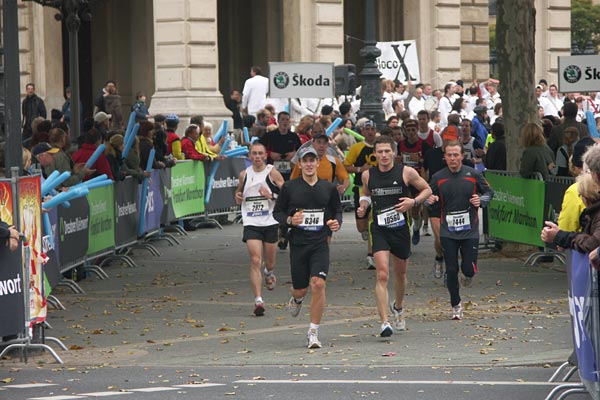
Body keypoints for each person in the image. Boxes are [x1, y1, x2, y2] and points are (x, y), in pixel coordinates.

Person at [357, 135, 431, 337]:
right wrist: (363, 205)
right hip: (379, 228)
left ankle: (398, 307)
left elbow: (427, 189)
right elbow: (365, 194)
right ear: (374, 154)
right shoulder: (367, 175)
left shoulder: (406, 172)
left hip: (400, 228)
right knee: (382, 273)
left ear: (394, 153)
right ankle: (384, 323)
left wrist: (413, 202)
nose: (383, 155)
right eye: (379, 151)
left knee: (400, 273)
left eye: (387, 151)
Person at [273, 146, 342, 349]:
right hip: (298, 244)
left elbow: (337, 211)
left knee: (318, 284)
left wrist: (335, 223)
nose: (310, 164)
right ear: (300, 164)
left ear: (318, 163)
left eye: (313, 160)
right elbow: (277, 213)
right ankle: (296, 299)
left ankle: (313, 332)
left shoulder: (328, 188)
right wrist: (289, 220)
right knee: (301, 289)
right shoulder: (290, 188)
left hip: (320, 243)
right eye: (306, 161)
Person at [426, 140, 494, 320]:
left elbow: (489, 192)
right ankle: (456, 305)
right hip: (448, 231)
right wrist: (429, 200)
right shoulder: (438, 177)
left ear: (462, 156)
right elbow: (426, 195)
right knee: (451, 269)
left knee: (468, 269)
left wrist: (482, 200)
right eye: (449, 155)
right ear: (445, 157)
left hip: (470, 230)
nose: (453, 158)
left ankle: (469, 275)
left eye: (456, 155)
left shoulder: (472, 174)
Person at [234, 142, 285, 316]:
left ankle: (269, 272)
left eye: (260, 153)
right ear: (249, 156)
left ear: (265, 156)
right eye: (254, 153)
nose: (257, 156)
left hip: (270, 221)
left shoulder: (272, 172)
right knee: (255, 259)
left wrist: (271, 196)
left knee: (269, 262)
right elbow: (239, 192)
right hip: (251, 222)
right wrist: (238, 196)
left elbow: (287, 194)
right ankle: (258, 300)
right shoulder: (244, 174)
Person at [344, 119, 379, 269]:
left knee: (373, 222)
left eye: (372, 129)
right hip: (360, 188)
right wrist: (360, 169)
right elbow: (346, 166)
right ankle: (364, 231)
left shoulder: (381, 147)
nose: (370, 132)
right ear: (362, 132)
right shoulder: (357, 148)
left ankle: (371, 255)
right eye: (367, 129)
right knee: (361, 226)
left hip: (377, 190)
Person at [398, 119, 431, 245]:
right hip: (405, 180)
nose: (411, 132)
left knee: (415, 210)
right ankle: (405, 235)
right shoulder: (400, 144)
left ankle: (417, 227)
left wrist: (420, 160)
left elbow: (429, 163)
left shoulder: (424, 145)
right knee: (405, 209)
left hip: (418, 180)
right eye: (408, 130)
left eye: (413, 130)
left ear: (417, 130)